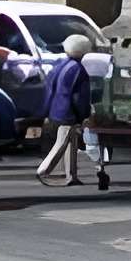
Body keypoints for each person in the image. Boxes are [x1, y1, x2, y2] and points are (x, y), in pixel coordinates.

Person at [36, 31, 94, 186]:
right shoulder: (79, 70)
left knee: (70, 143)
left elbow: (49, 88)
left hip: (55, 110)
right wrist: (84, 115)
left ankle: (71, 176)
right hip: (68, 112)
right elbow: (79, 97)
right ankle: (43, 170)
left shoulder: (60, 65)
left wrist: (46, 110)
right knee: (62, 142)